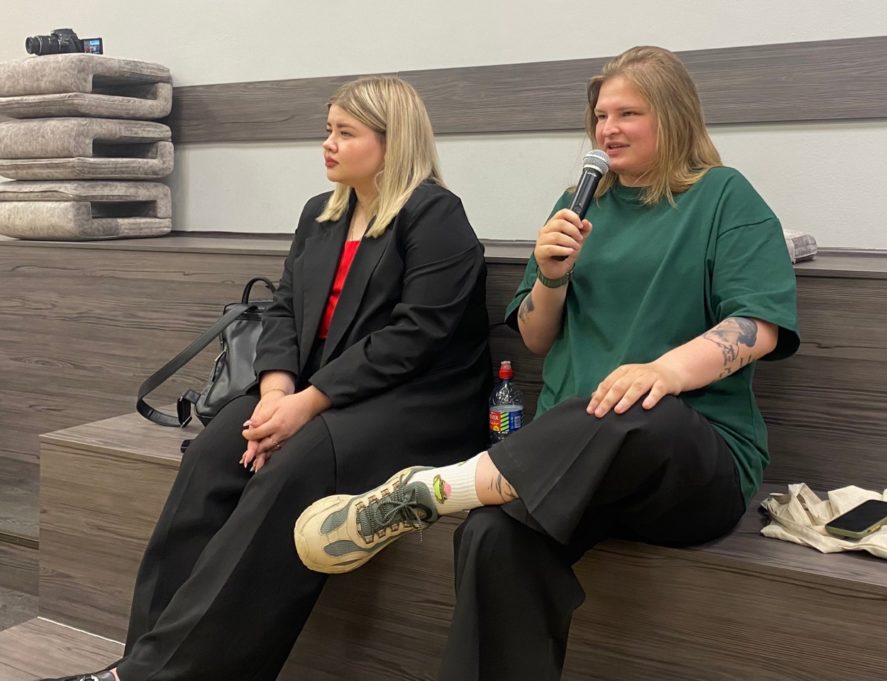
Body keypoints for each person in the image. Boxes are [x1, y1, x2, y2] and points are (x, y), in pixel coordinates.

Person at [295, 46, 800, 680]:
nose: (607, 129)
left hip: (691, 462)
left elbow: (757, 327)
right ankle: (446, 494)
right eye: (600, 116)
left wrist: (664, 372)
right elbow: (536, 338)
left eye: (628, 114)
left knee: (633, 408)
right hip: (566, 464)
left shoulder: (724, 196)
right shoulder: (577, 203)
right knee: (492, 537)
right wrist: (552, 277)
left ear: (673, 116)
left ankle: (434, 490)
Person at [40, 75, 491, 681]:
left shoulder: (436, 215)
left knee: (294, 465)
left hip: (412, 403)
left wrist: (307, 403)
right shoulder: (322, 213)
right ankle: (137, 660)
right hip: (315, 392)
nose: (328, 144)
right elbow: (282, 308)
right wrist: (276, 390)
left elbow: (416, 336)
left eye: (345, 132)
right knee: (215, 453)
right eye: (327, 130)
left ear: (393, 142)